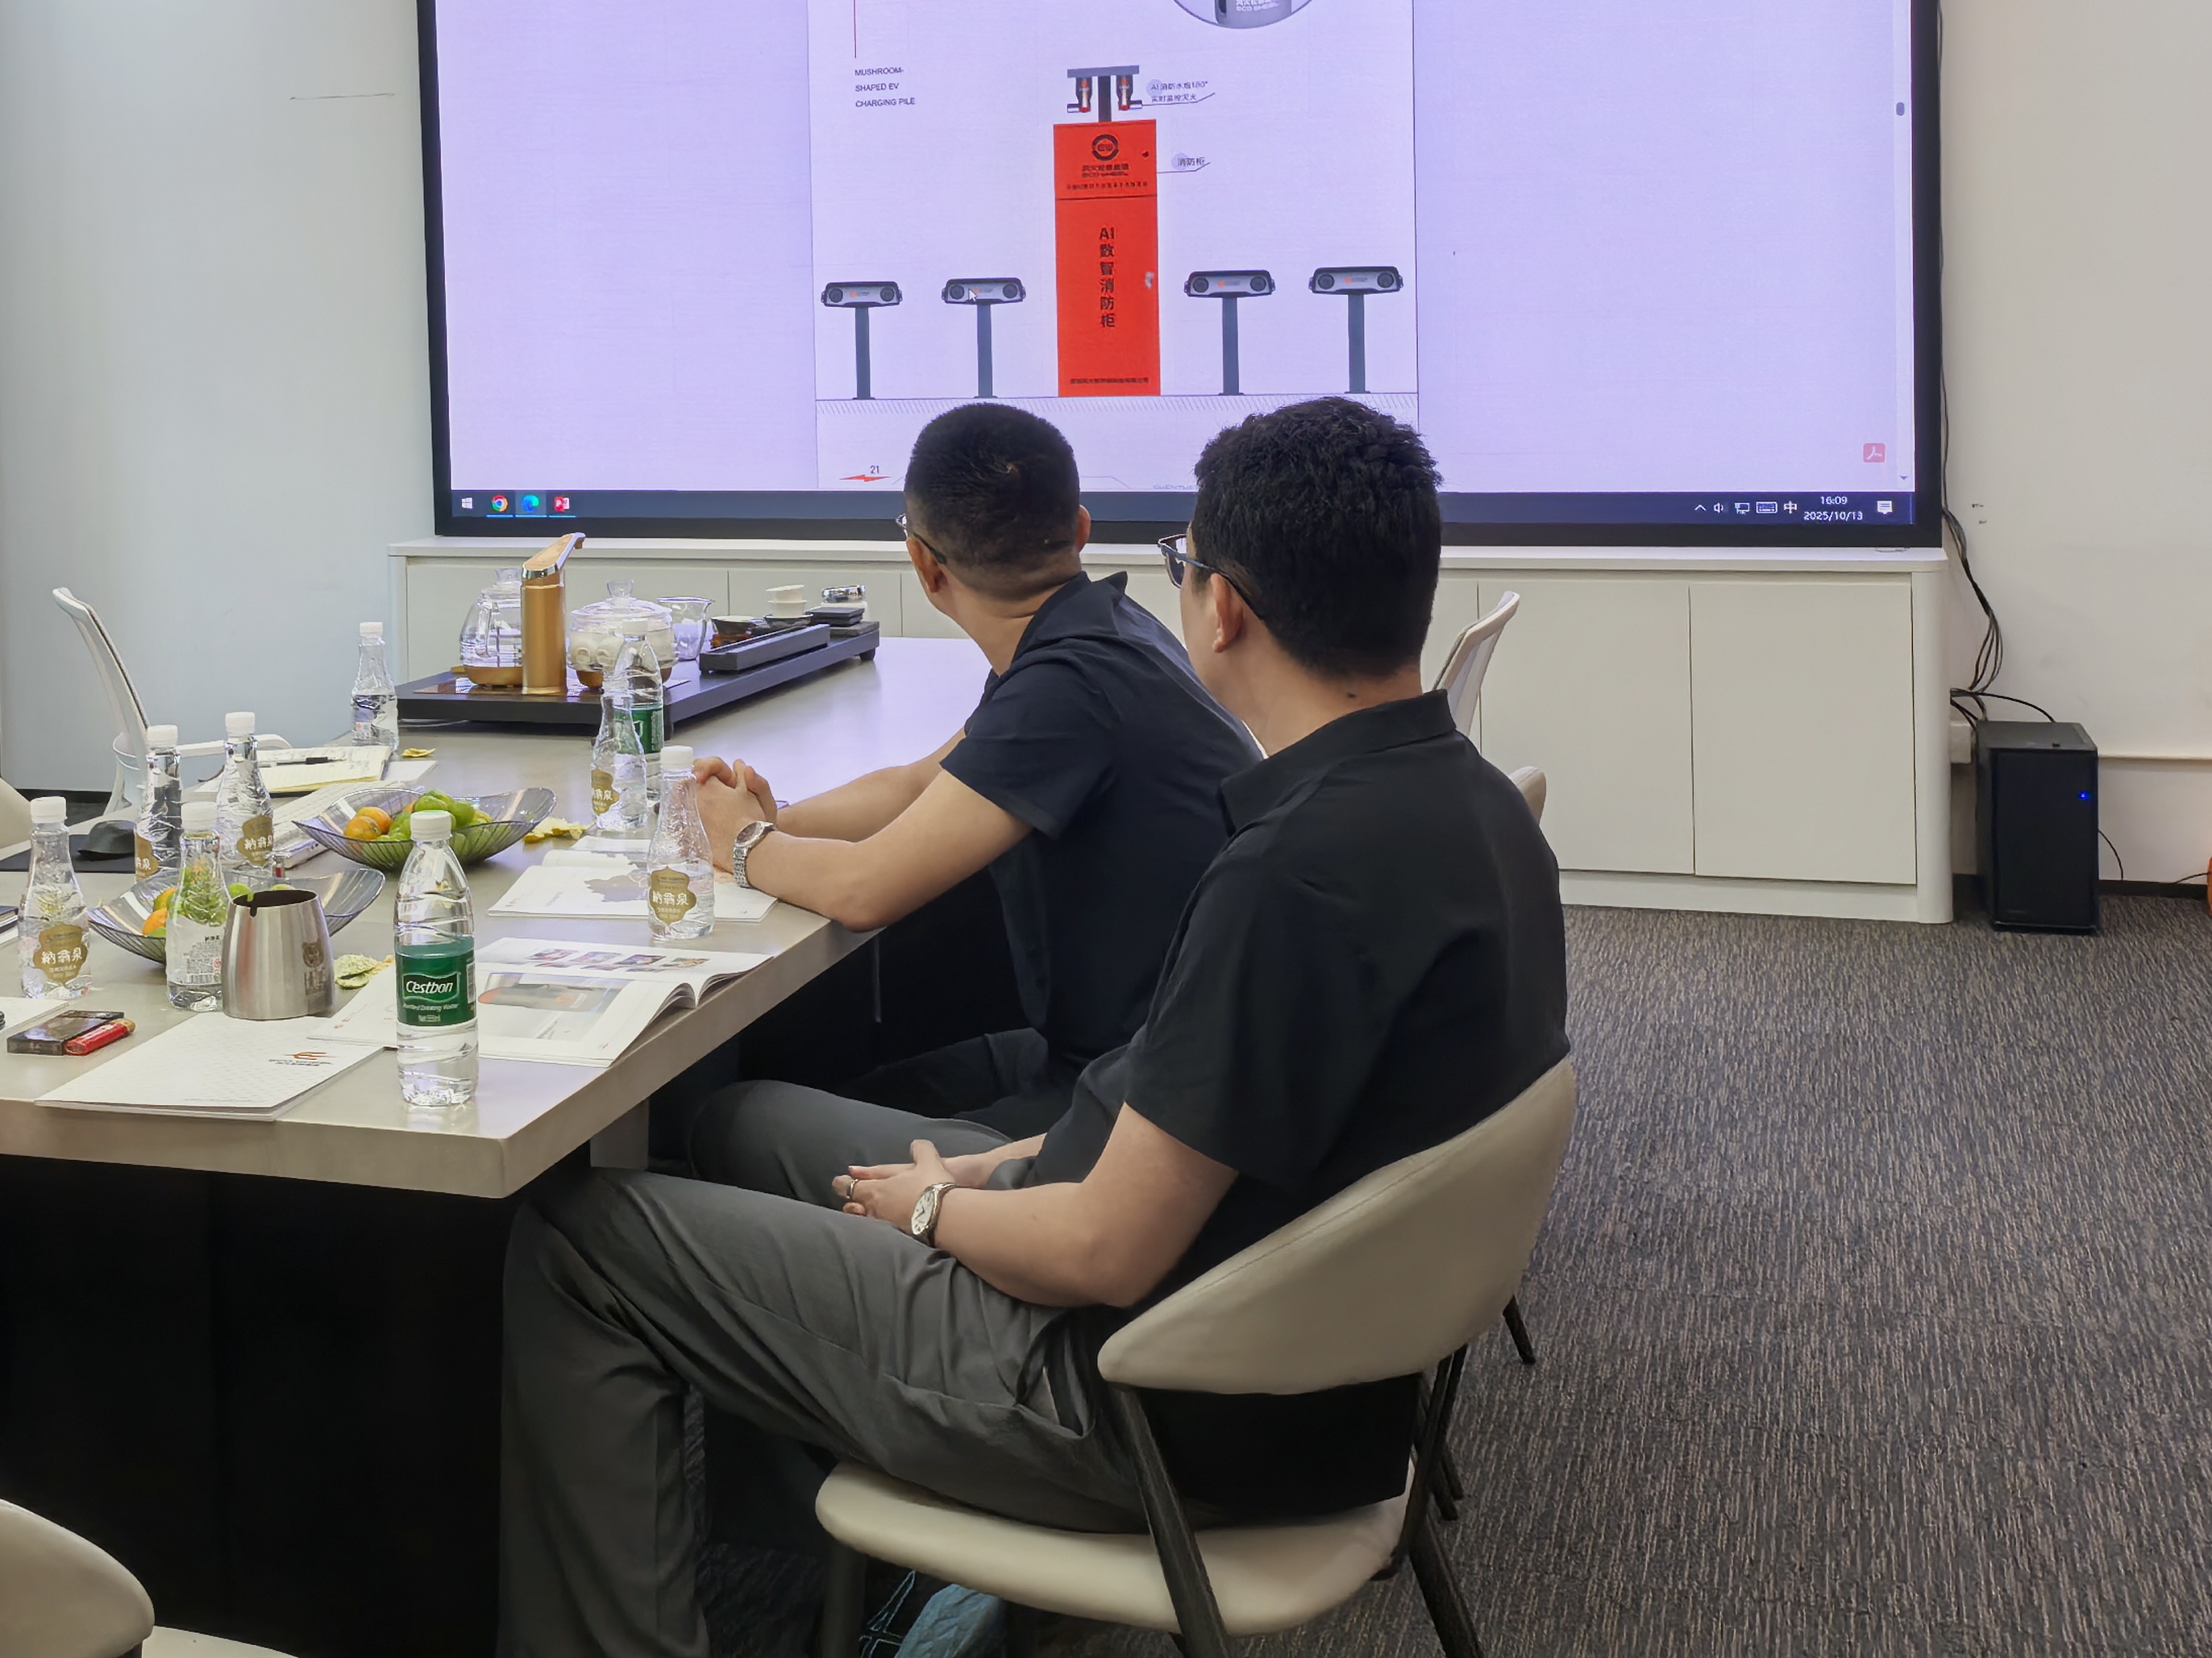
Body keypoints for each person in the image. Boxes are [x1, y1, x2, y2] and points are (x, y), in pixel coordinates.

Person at [497, 399, 1569, 1658]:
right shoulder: (1466, 807)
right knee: (744, 1126)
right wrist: (1004, 1165)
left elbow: (1104, 1249)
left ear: (1222, 608)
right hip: (1295, 1371)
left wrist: (933, 1210)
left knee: (581, 1240)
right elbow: (1179, 1120)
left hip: (1133, 1399)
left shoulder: (1292, 880)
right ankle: (836, 1568)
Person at [693, 403, 1255, 1132]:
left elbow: (864, 889)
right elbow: (918, 785)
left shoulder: (1069, 687)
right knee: (841, 1094)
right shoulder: (1102, 632)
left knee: (733, 1122)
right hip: (1129, 1054)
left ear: (924, 565)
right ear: (1081, 530)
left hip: (1131, 1100)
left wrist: (742, 844)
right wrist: (775, 822)